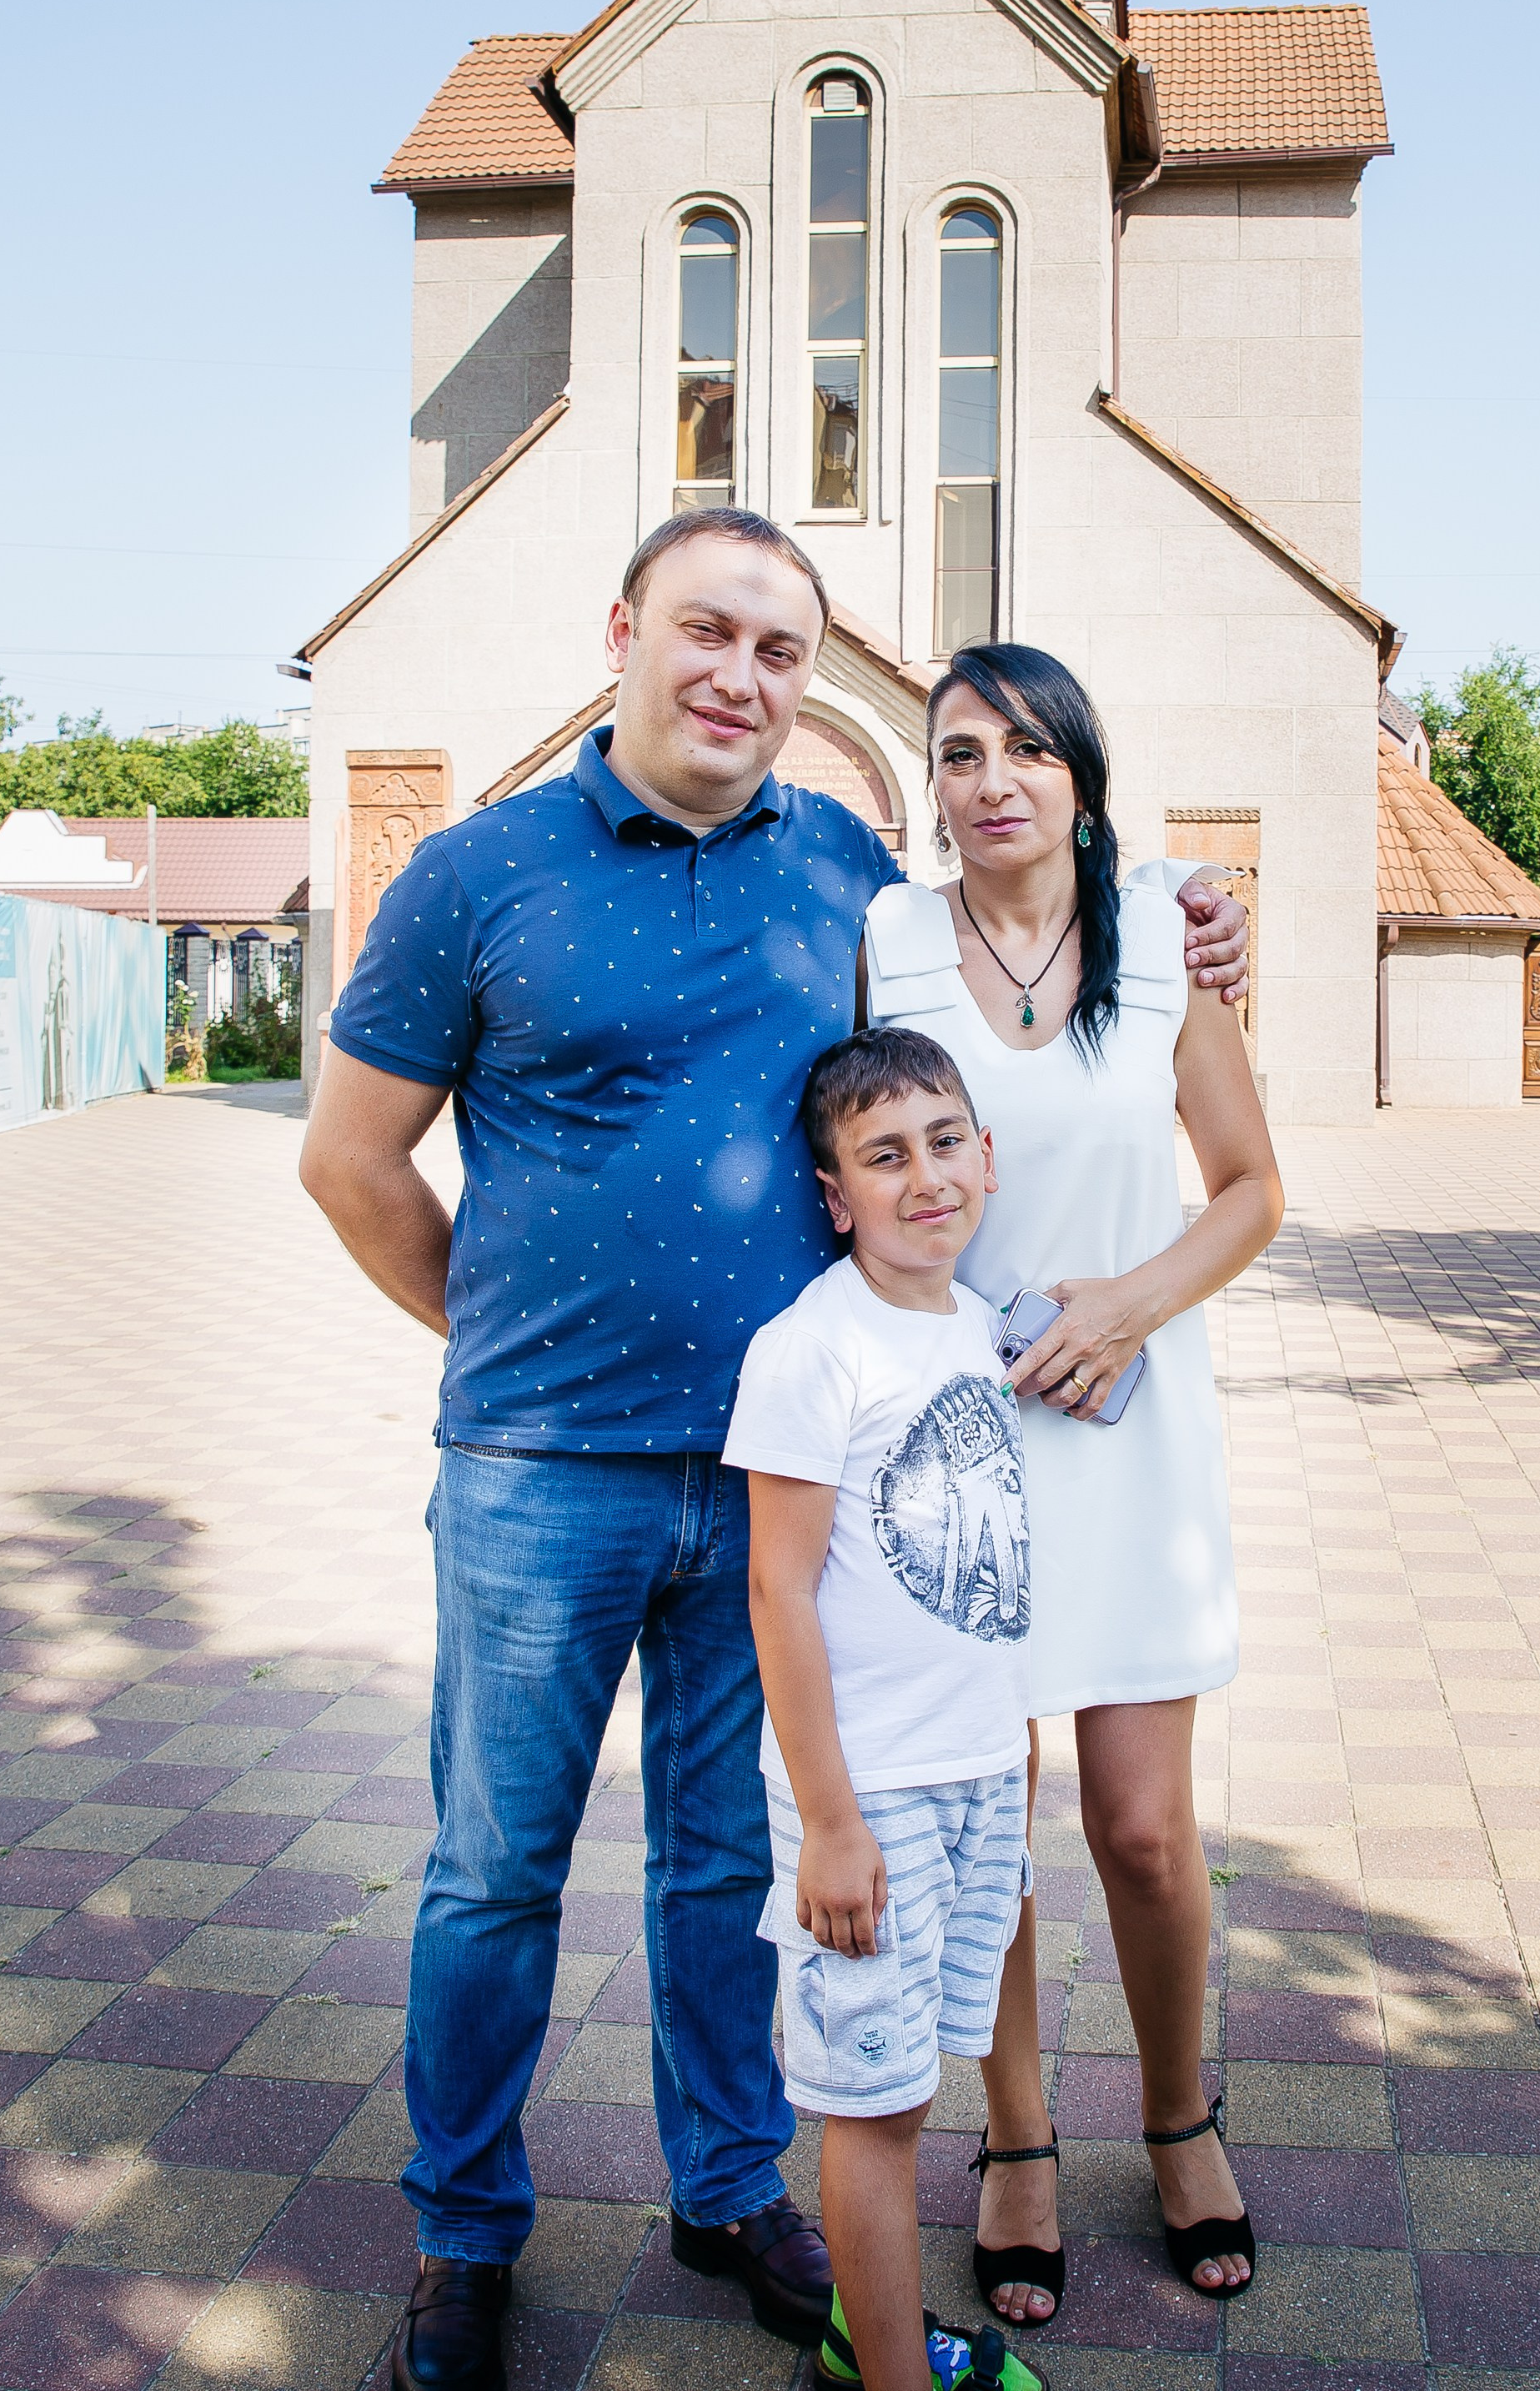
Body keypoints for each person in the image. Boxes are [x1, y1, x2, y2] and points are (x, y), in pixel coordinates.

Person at [298, 510, 1247, 2391]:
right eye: (707, 633)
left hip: (783, 1491)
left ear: (811, 685)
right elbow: (347, 1161)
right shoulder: (475, 874)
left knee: (728, 1862)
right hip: (539, 1475)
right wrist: (504, 1349)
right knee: (494, 1869)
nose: (741, 676)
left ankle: (730, 2187)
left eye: (783, 651)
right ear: (625, 633)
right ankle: (465, 2233)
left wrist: (1212, 921)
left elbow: (1036, 923)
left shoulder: (844, 870)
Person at [863, 640, 1285, 2328]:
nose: (991, 781)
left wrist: (1129, 1303)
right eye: (961, 753)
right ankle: (1019, 2136)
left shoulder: (1171, 945)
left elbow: (1252, 1188)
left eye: (1027, 749)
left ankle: (1179, 2116)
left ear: (1081, 779)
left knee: (1142, 1827)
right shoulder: (887, 939)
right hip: (951, 1439)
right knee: (987, 1827)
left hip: (1130, 1425)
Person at [727, 1027, 1047, 2391]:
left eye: (944, 1140)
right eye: (884, 1155)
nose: (925, 1176)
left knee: (917, 2078)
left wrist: (1017, 1749)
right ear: (834, 1191)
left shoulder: (984, 1329)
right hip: (871, 1803)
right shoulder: (812, 1349)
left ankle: (879, 2335)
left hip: (980, 1778)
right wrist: (830, 1824)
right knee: (872, 2110)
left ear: (987, 1153)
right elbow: (777, 1595)